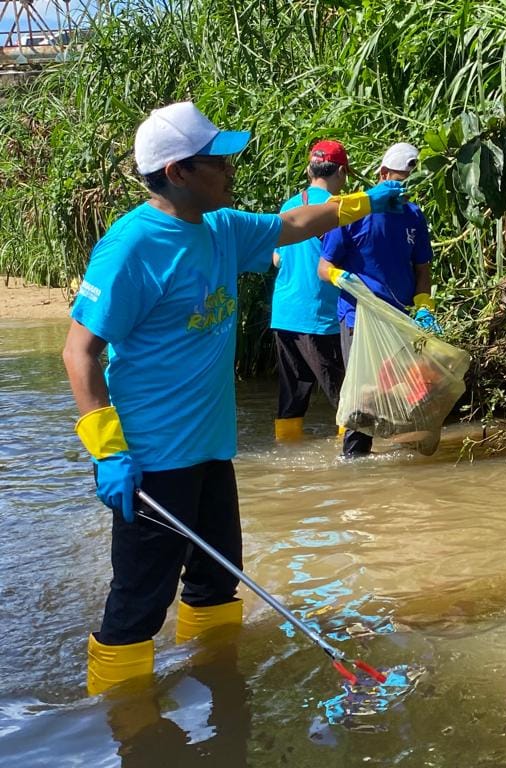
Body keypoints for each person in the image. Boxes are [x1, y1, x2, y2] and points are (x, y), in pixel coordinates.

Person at [62, 101, 405, 695]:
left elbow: (296, 225)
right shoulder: (132, 248)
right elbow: (79, 352)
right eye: (218, 162)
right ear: (177, 172)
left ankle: (219, 690)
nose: (231, 171)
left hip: (212, 452)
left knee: (218, 583)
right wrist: (106, 450)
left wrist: (366, 202)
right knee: (138, 606)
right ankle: (121, 725)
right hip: (150, 461)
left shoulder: (222, 228)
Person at [317, 141, 439, 457]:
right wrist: (338, 277)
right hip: (360, 318)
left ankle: (403, 464)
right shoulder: (355, 211)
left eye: (411, 182)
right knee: (364, 395)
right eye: (399, 179)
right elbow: (323, 266)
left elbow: (422, 268)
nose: (404, 188)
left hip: (399, 319)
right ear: (383, 174)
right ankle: (354, 464)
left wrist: (425, 305)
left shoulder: (413, 216)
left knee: (406, 392)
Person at [270, 139, 350, 440]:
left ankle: (287, 454)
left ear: (309, 169)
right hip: (319, 316)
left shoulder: (291, 204)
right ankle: (357, 466)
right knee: (345, 396)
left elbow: (276, 258)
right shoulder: (336, 209)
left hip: (284, 313)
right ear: (342, 171)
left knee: (292, 399)